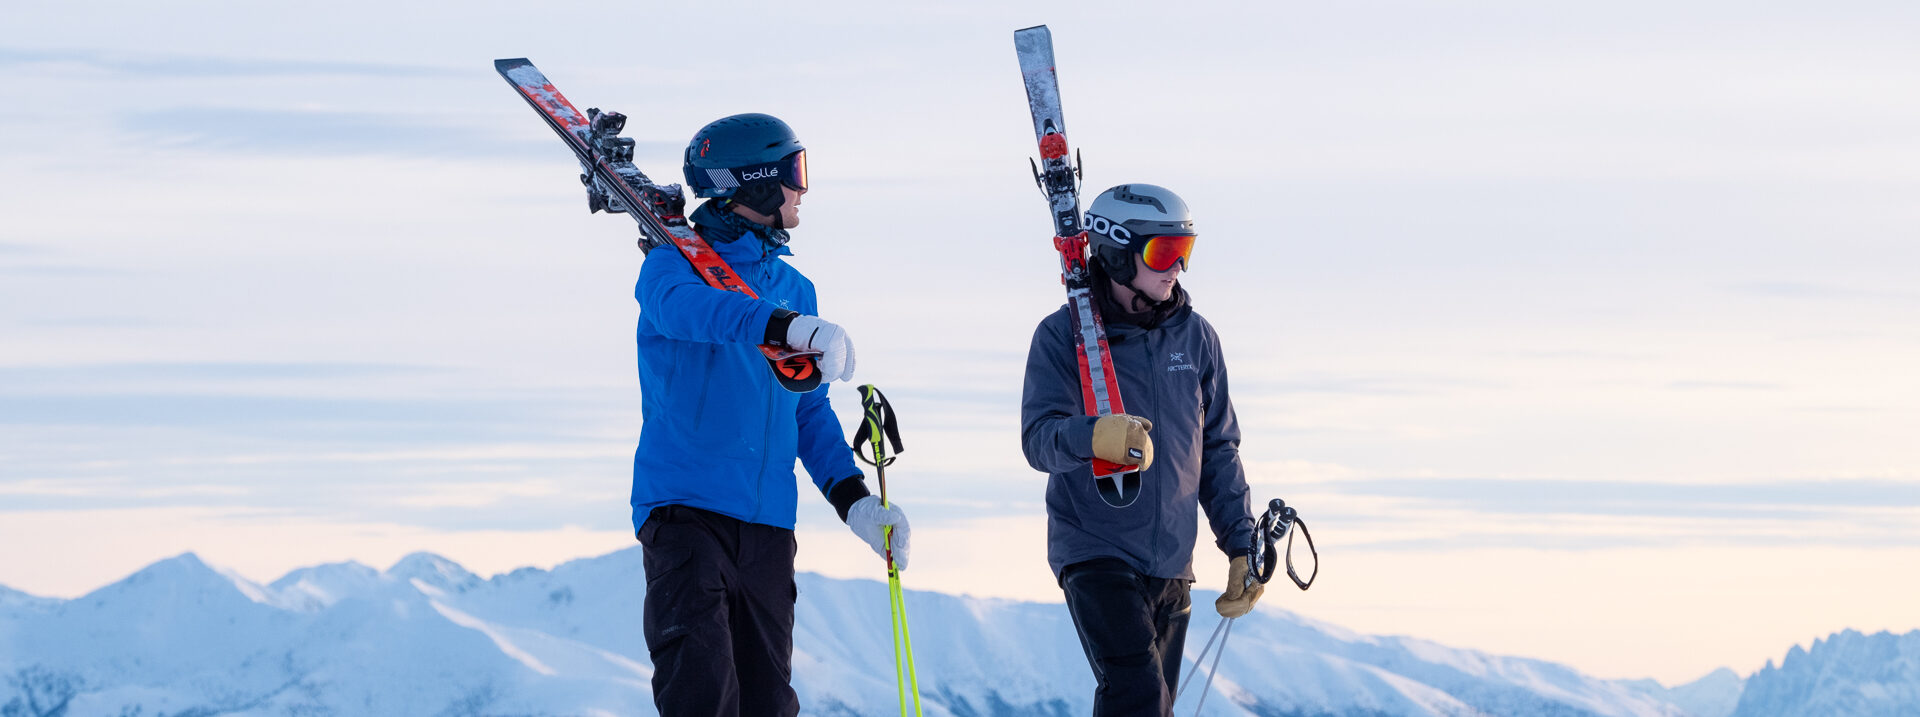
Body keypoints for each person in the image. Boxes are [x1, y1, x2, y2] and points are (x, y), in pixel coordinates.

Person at [632, 112, 909, 716]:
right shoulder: (670, 268)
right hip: (686, 514)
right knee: (702, 692)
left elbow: (808, 411)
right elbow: (687, 313)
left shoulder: (794, 287)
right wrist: (779, 324)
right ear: (754, 183)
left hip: (768, 527)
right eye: (793, 172)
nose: (803, 188)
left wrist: (853, 499)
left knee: (768, 704)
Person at [1020, 184, 1260, 716]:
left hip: (1173, 559)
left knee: (1156, 707)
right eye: (1163, 253)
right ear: (1116, 253)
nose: (1177, 268)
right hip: (1095, 548)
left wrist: (1240, 545)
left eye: (1185, 251)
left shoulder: (1196, 339)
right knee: (1137, 694)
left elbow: (1218, 449)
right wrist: (1092, 437)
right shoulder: (1062, 337)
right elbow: (1038, 439)